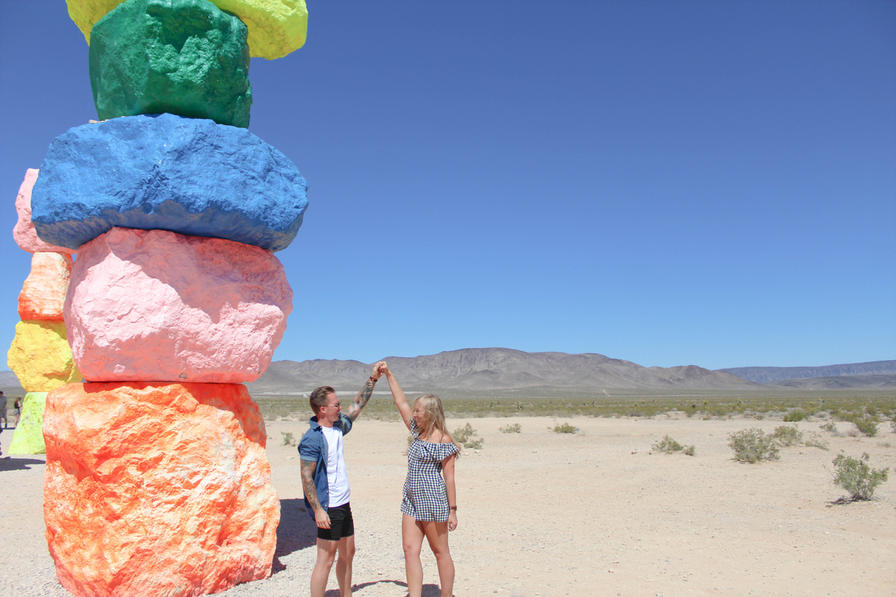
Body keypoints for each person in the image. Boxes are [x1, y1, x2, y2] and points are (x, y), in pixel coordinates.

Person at [298, 362, 386, 597]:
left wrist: (373, 379)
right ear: (322, 409)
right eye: (335, 404)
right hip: (328, 506)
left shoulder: (337, 427)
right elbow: (306, 477)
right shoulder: (312, 439)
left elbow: (356, 406)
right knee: (325, 560)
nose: (340, 407)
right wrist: (318, 510)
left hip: (343, 504)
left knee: (348, 553)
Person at [381, 362, 459, 597]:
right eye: (414, 410)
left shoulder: (444, 441)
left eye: (418, 411)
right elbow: (400, 403)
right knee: (410, 549)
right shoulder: (417, 431)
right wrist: (389, 374)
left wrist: (453, 510)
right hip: (411, 500)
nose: (413, 414)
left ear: (431, 414)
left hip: (434, 501)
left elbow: (450, 479)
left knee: (440, 552)